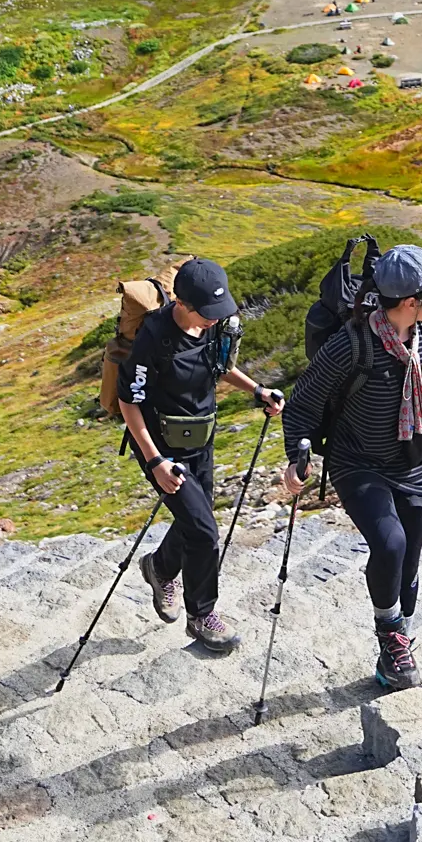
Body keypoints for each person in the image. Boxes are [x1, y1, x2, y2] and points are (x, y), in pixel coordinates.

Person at [279, 241, 422, 692]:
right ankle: (389, 633)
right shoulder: (351, 345)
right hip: (359, 463)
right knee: (391, 545)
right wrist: (298, 455)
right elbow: (302, 405)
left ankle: (400, 638)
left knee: (409, 561)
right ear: (411, 302)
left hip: (418, 461)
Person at [117, 255, 284, 652]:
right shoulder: (154, 337)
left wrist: (258, 390)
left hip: (201, 442)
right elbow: (129, 401)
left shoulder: (212, 328)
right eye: (206, 311)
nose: (214, 318)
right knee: (206, 533)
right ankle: (202, 616)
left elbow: (219, 367)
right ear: (182, 303)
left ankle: (158, 567)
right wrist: (155, 461)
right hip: (163, 448)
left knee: (197, 521)